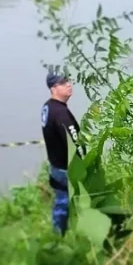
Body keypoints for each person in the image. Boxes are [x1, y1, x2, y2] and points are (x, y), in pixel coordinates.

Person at [40, 70, 85, 236]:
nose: (69, 85)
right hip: (66, 168)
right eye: (63, 83)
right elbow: (74, 142)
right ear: (53, 88)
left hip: (55, 164)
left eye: (68, 81)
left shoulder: (47, 107)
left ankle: (60, 234)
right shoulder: (61, 113)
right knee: (67, 202)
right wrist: (84, 162)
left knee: (61, 201)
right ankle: (61, 235)